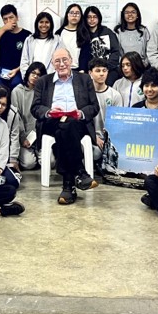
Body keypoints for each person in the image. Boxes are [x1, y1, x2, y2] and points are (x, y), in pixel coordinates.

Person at [31, 48, 100, 204]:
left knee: (67, 127)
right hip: (52, 122)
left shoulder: (84, 79)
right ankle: (80, 172)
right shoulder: (43, 81)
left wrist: (80, 113)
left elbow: (94, 107)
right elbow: (35, 108)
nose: (61, 64)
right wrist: (49, 112)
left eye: (64, 60)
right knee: (65, 126)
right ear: (52, 64)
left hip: (77, 122)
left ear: (71, 61)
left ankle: (68, 186)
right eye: (57, 61)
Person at [10, 62, 46, 170]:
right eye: (33, 73)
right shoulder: (17, 91)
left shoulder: (44, 92)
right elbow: (16, 118)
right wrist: (22, 138)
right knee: (29, 164)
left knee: (50, 162)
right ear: (28, 73)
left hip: (40, 136)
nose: (35, 76)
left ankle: (38, 153)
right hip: (24, 136)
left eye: (38, 75)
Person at [132, 68, 158, 157]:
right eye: (146, 85)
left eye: (154, 86)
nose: (149, 89)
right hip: (137, 153)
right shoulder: (136, 108)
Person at [0, 4, 31, 89]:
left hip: (19, 68)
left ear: (17, 18)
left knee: (16, 85)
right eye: (5, 19)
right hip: (2, 68)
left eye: (11, 17)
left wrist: (18, 69)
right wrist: (3, 29)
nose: (9, 21)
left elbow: (30, 58)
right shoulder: (2, 32)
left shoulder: (27, 35)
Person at [89, 57, 123, 163]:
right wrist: (94, 137)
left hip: (110, 139)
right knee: (95, 153)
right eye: (97, 71)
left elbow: (118, 122)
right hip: (90, 136)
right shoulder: (85, 94)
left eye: (104, 70)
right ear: (90, 73)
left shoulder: (115, 95)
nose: (101, 74)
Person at [79, 6, 121, 85]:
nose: (92, 19)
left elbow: (115, 52)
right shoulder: (83, 34)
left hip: (109, 70)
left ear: (99, 18)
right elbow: (83, 57)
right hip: (91, 71)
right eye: (89, 17)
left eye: (95, 17)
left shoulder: (108, 32)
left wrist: (106, 67)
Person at [20, 12, 61, 76]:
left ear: (51, 24)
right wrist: (27, 77)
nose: (44, 25)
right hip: (33, 78)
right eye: (41, 22)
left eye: (47, 22)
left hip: (50, 77)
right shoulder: (29, 40)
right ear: (37, 24)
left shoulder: (57, 40)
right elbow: (24, 61)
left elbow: (61, 60)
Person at [114, 2, 150, 67]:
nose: (130, 14)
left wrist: (144, 65)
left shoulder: (144, 30)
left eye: (133, 12)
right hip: (124, 67)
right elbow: (117, 53)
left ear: (137, 15)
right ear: (123, 15)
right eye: (127, 12)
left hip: (142, 66)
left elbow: (149, 50)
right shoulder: (118, 31)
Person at [56, 3, 87, 71]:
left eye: (77, 13)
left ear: (81, 16)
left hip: (79, 70)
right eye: (72, 13)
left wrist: (83, 69)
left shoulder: (84, 33)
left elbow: (86, 55)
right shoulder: (59, 33)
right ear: (67, 15)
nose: (74, 15)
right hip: (62, 69)